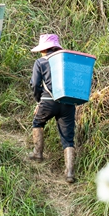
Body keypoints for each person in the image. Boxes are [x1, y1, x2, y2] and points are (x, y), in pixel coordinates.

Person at [29, 34, 76, 183]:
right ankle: (69, 173)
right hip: (68, 102)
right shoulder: (66, 61)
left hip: (48, 102)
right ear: (56, 47)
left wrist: (38, 101)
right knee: (68, 138)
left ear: (44, 49)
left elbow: (35, 85)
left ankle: (37, 153)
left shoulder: (41, 62)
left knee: (38, 123)